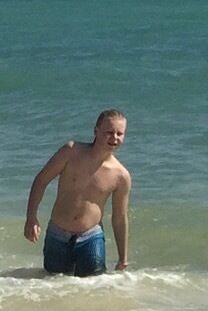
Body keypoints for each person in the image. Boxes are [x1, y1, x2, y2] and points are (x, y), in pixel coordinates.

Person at [23, 109, 131, 275]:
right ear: (96, 131)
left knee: (93, 287)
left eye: (119, 134)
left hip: (91, 237)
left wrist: (122, 257)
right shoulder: (71, 152)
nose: (114, 138)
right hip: (57, 234)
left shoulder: (121, 175)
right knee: (53, 284)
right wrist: (31, 217)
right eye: (109, 132)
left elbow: (119, 217)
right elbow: (41, 181)